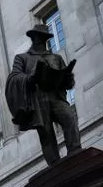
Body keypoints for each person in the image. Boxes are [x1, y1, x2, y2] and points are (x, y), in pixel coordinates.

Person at [5, 23, 81, 166]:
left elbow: (67, 84)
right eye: (38, 37)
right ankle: (54, 164)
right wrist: (30, 77)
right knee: (46, 133)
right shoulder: (22, 58)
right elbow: (14, 77)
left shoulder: (56, 58)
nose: (40, 40)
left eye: (43, 38)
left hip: (56, 97)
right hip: (37, 100)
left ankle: (75, 152)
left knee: (69, 118)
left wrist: (68, 79)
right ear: (33, 38)